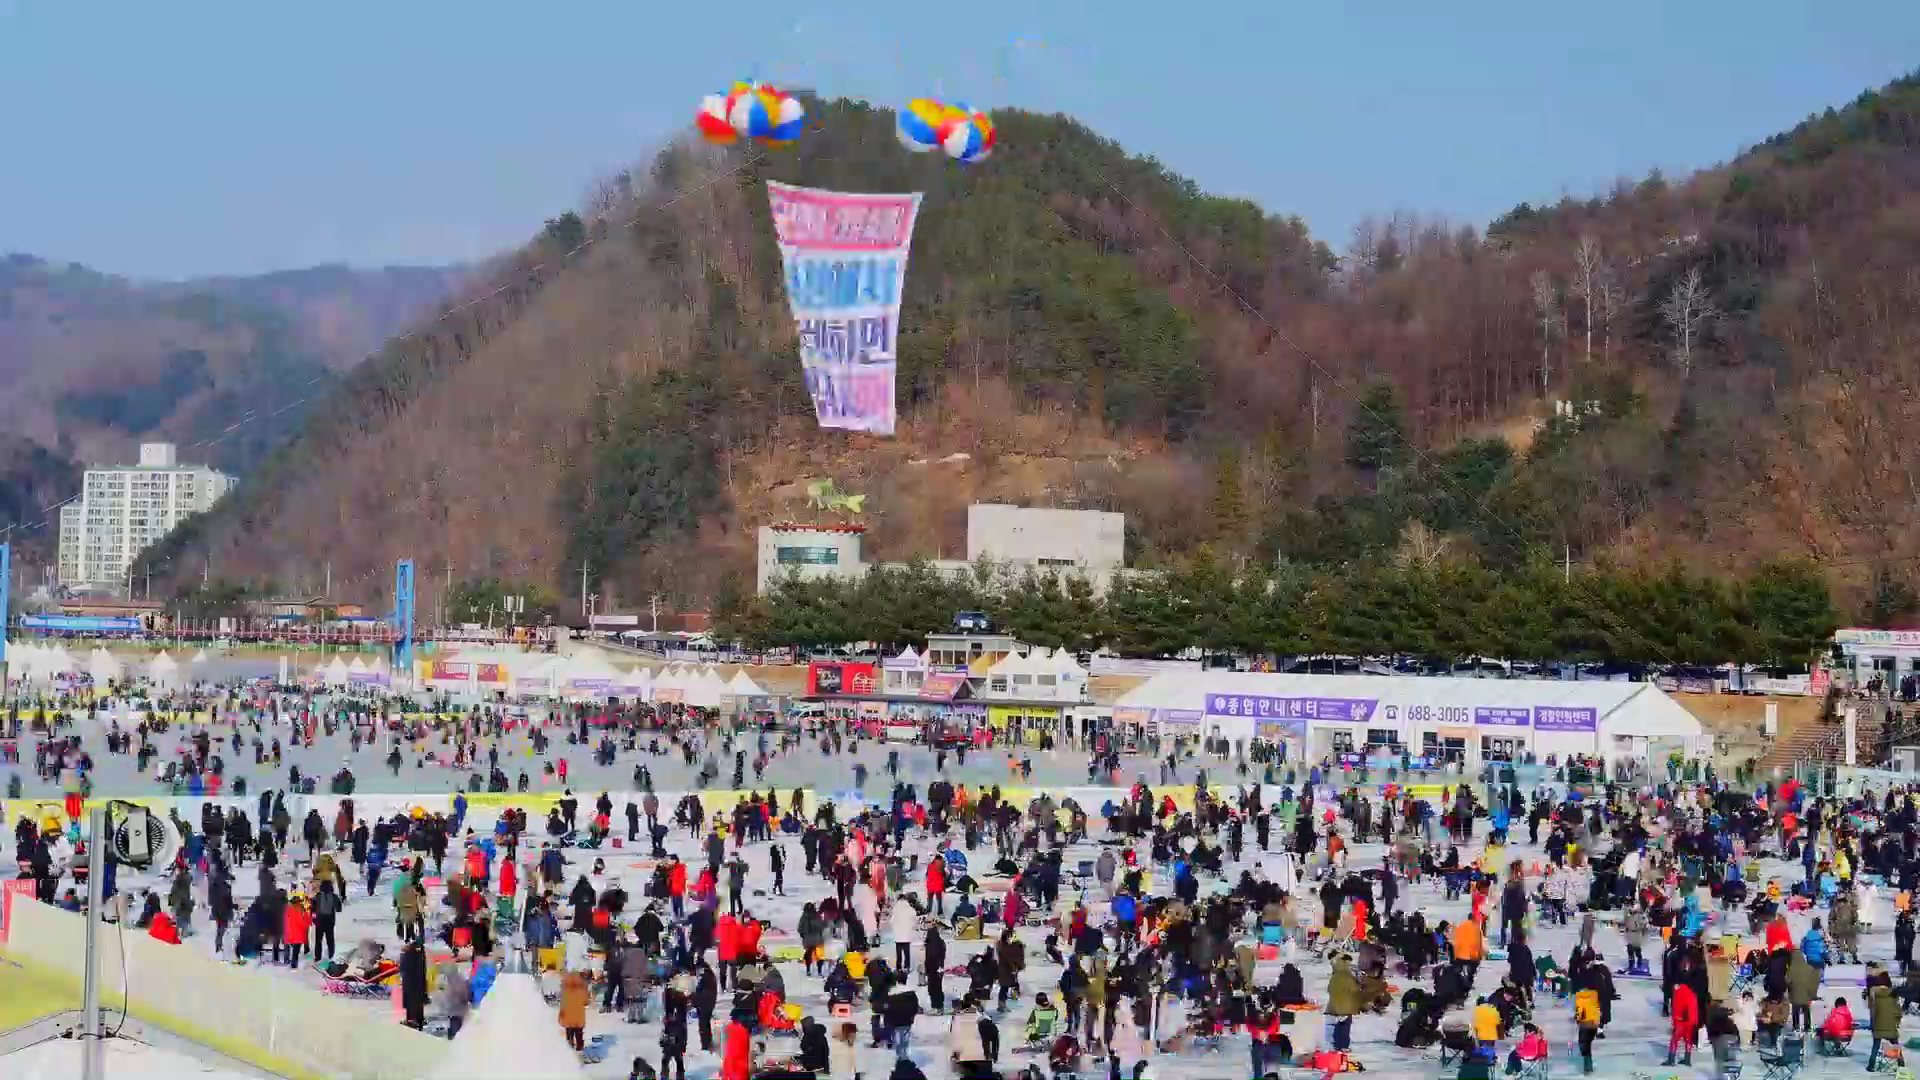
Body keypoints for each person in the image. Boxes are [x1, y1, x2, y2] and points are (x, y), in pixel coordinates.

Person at [560, 971, 590, 1051]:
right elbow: (586, 1002)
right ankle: (579, 1047)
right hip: (578, 1016)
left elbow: (563, 1004)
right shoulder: (582, 989)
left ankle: (570, 1044)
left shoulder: (565, 990)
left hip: (568, 1016)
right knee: (579, 1032)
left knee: (569, 1030)